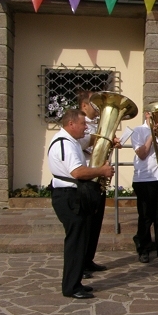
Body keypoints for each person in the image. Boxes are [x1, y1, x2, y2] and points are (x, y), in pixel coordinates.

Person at [48, 109, 115, 298]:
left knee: (80, 240)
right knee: (75, 242)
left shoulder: (72, 142)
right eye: (83, 124)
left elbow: (86, 151)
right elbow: (77, 172)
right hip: (68, 196)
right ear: (71, 124)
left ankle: (76, 282)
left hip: (73, 195)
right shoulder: (65, 144)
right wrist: (101, 171)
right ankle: (71, 287)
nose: (86, 127)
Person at [131, 104, 158, 263]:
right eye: (154, 116)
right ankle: (143, 248)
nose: (157, 120)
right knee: (145, 216)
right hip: (144, 179)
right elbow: (142, 154)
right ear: (147, 115)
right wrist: (152, 135)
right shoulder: (138, 130)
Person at [76, 90, 108, 277]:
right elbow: (82, 146)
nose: (97, 108)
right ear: (84, 106)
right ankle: (80, 263)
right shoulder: (78, 125)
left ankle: (88, 259)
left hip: (98, 176)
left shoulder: (97, 125)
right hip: (86, 176)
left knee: (96, 222)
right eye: (93, 104)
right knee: (86, 224)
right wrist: (100, 142)